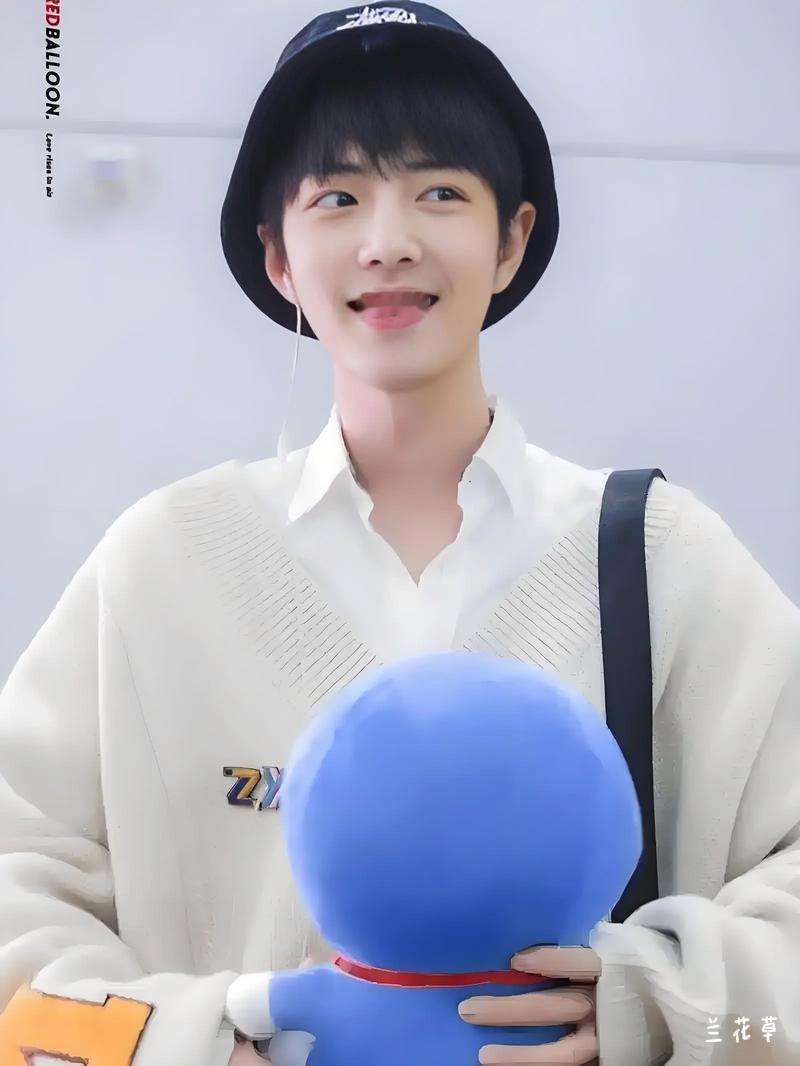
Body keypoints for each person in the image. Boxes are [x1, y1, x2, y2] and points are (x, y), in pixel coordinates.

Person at [1, 4, 799, 1066]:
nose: (387, 241)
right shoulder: (167, 562)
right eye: (336, 197)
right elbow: (17, 875)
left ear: (511, 239)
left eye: (439, 192)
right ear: (278, 257)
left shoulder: (657, 558)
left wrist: (658, 1003)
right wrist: (181, 1043)